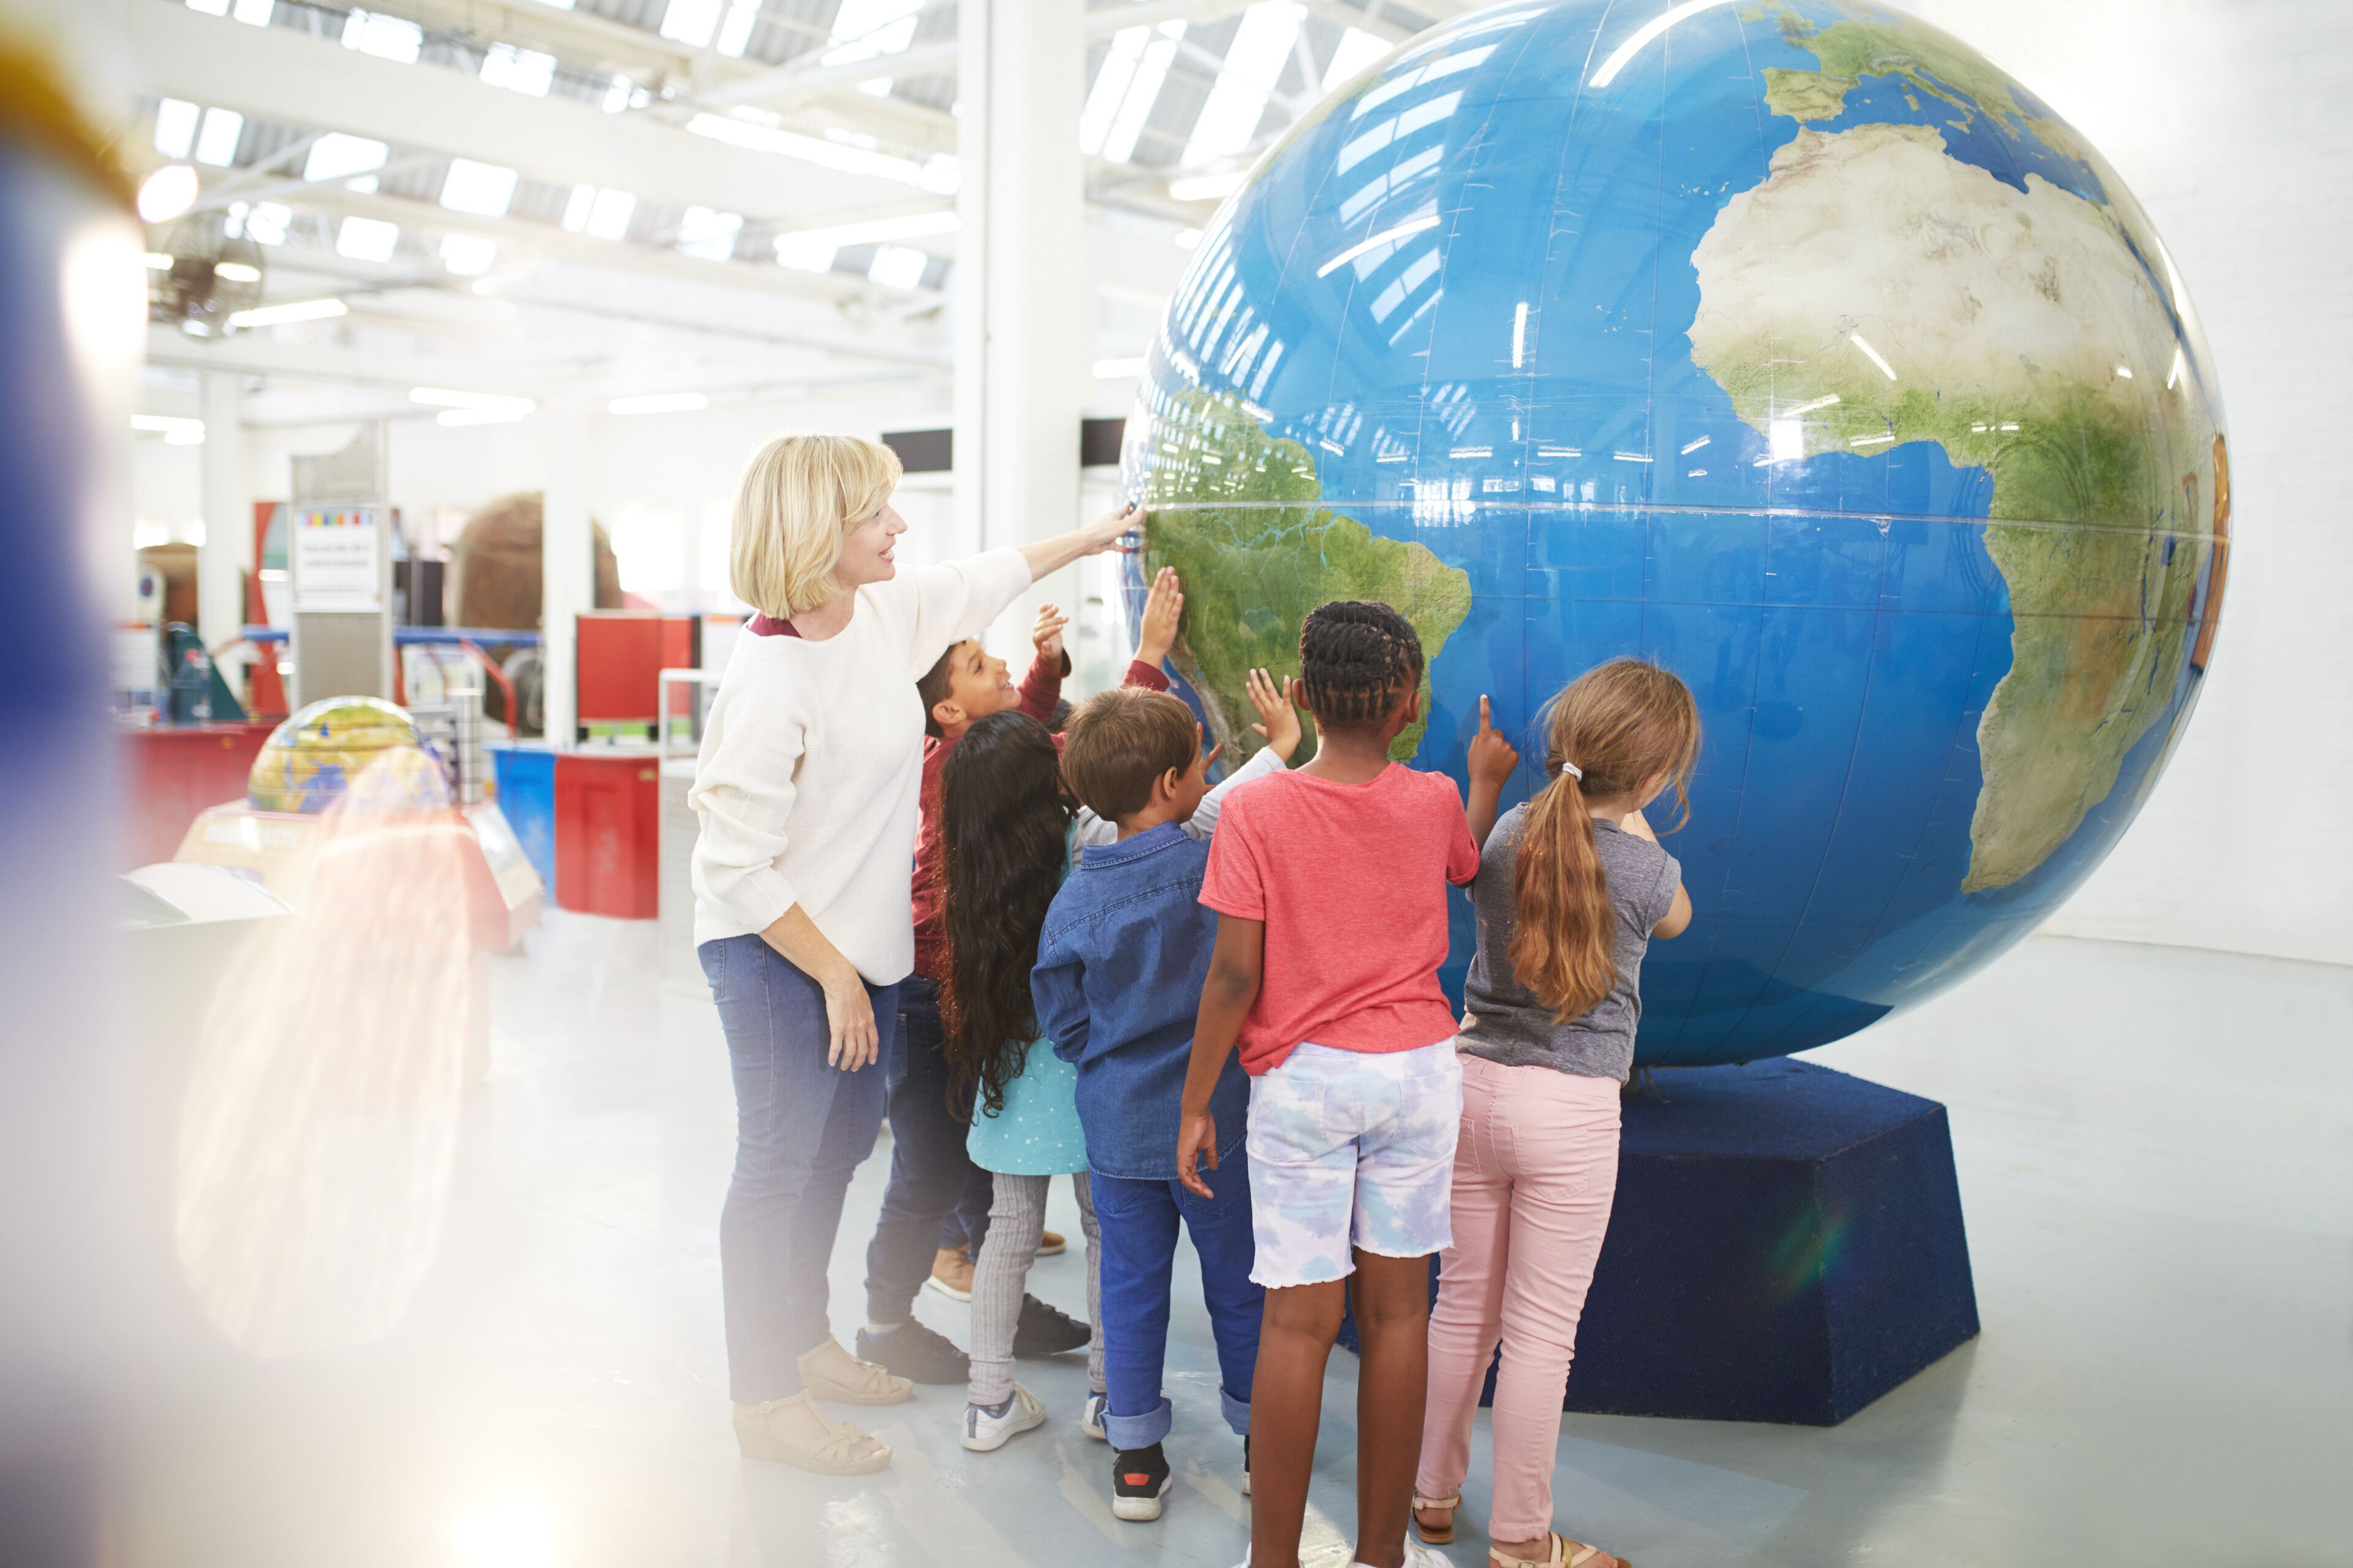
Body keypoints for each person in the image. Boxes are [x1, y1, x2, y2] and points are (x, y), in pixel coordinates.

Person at [688, 430, 1139, 1475]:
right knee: (777, 1165)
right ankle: (764, 1394)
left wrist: (1100, 536)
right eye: (876, 513)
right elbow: (733, 866)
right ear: (817, 532)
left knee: (839, 1155)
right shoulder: (770, 681)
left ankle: (806, 1341)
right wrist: (836, 975)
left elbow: (992, 571)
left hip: (861, 953)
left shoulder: (883, 610)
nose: (898, 527)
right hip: (772, 952)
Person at [1175, 600, 1480, 1568]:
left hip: (1304, 1084)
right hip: (1418, 1078)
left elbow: (1234, 975)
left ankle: (1274, 1561)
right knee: (1399, 1316)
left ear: (1302, 697)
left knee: (1298, 1324)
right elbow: (1465, 863)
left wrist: (1194, 1102)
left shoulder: (1258, 809)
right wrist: (1480, 782)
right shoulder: (1434, 800)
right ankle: (1380, 1557)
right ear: (1409, 702)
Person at [858, 569, 1191, 1384]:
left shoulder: (979, 755)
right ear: (948, 711)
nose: (999, 665)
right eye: (978, 664)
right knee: (931, 1163)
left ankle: (989, 1299)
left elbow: (1049, 730)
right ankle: (885, 1321)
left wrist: (1046, 669)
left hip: (973, 986)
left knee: (983, 1154)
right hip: (934, 993)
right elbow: (1089, 754)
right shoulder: (959, 768)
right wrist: (1146, 657)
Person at [1412, 659, 1698, 1568]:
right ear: (1655, 778)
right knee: (1541, 1336)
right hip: (1569, 1114)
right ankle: (1523, 1541)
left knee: (1462, 1311)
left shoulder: (1504, 833)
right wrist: (1634, 809)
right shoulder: (1652, 875)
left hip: (1473, 1088)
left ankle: (1431, 1496)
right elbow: (1680, 919)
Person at [1029, 671, 1303, 1518]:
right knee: (1237, 1282)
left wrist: (1107, 1062)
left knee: (1132, 1287)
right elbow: (1253, 977)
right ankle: (1263, 1443)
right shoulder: (1218, 869)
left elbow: (1061, 1018)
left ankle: (1137, 1459)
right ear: (1170, 786)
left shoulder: (1074, 900)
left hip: (1116, 1127)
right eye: (1197, 767)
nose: (1204, 779)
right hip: (1217, 1120)